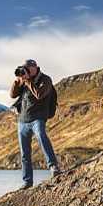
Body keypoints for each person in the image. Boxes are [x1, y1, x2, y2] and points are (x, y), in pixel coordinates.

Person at [10, 59, 61, 189]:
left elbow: (39, 94)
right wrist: (17, 82)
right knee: (24, 153)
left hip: (38, 117)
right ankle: (27, 182)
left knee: (42, 137)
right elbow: (12, 95)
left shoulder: (46, 79)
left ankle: (53, 167)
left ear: (35, 68)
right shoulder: (23, 80)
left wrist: (28, 81)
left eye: (28, 68)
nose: (25, 70)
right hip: (22, 120)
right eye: (24, 68)